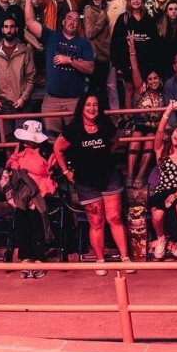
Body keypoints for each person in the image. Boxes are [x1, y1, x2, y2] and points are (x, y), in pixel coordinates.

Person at [52, 93, 132, 274]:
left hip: (109, 178)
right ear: (82, 107)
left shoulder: (105, 124)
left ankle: (125, 258)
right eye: (88, 105)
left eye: (95, 105)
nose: (92, 108)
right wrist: (66, 172)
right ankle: (100, 260)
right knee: (96, 222)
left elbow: (116, 140)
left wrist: (106, 156)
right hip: (86, 183)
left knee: (115, 218)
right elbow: (57, 148)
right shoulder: (73, 129)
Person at [24, 0, 95, 136]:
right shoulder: (51, 37)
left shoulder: (84, 44)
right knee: (51, 139)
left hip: (74, 101)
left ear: (78, 25)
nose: (72, 22)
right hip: (52, 100)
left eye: (76, 20)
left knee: (75, 138)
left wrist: (70, 60)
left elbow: (90, 68)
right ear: (63, 22)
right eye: (69, 18)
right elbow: (30, 21)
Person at [3, 119, 57, 277]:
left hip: (40, 193)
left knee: (36, 220)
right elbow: (11, 168)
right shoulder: (18, 150)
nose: (27, 142)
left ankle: (39, 258)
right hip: (21, 194)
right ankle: (25, 257)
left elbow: (49, 173)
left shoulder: (47, 152)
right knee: (22, 221)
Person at [148, 100, 177, 260]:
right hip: (162, 191)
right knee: (157, 215)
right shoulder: (161, 150)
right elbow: (160, 131)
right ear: (173, 132)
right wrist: (168, 111)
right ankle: (161, 238)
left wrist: (176, 195)